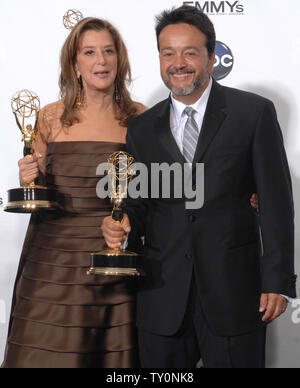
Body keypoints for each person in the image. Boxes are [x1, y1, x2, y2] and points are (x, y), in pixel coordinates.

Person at [101, 6, 297, 368]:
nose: (179, 63)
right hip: (161, 294)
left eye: (190, 52)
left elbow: (277, 202)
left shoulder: (252, 114)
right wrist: (125, 221)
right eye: (168, 53)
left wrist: (279, 280)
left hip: (235, 294)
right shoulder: (142, 128)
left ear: (211, 56)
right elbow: (140, 202)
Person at [2, 17, 146, 368]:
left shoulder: (141, 119)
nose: (101, 61)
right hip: (52, 259)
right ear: (74, 64)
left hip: (110, 257)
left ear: (120, 60)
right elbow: (37, 189)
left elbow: (150, 193)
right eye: (90, 52)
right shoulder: (49, 117)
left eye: (109, 51)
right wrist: (28, 176)